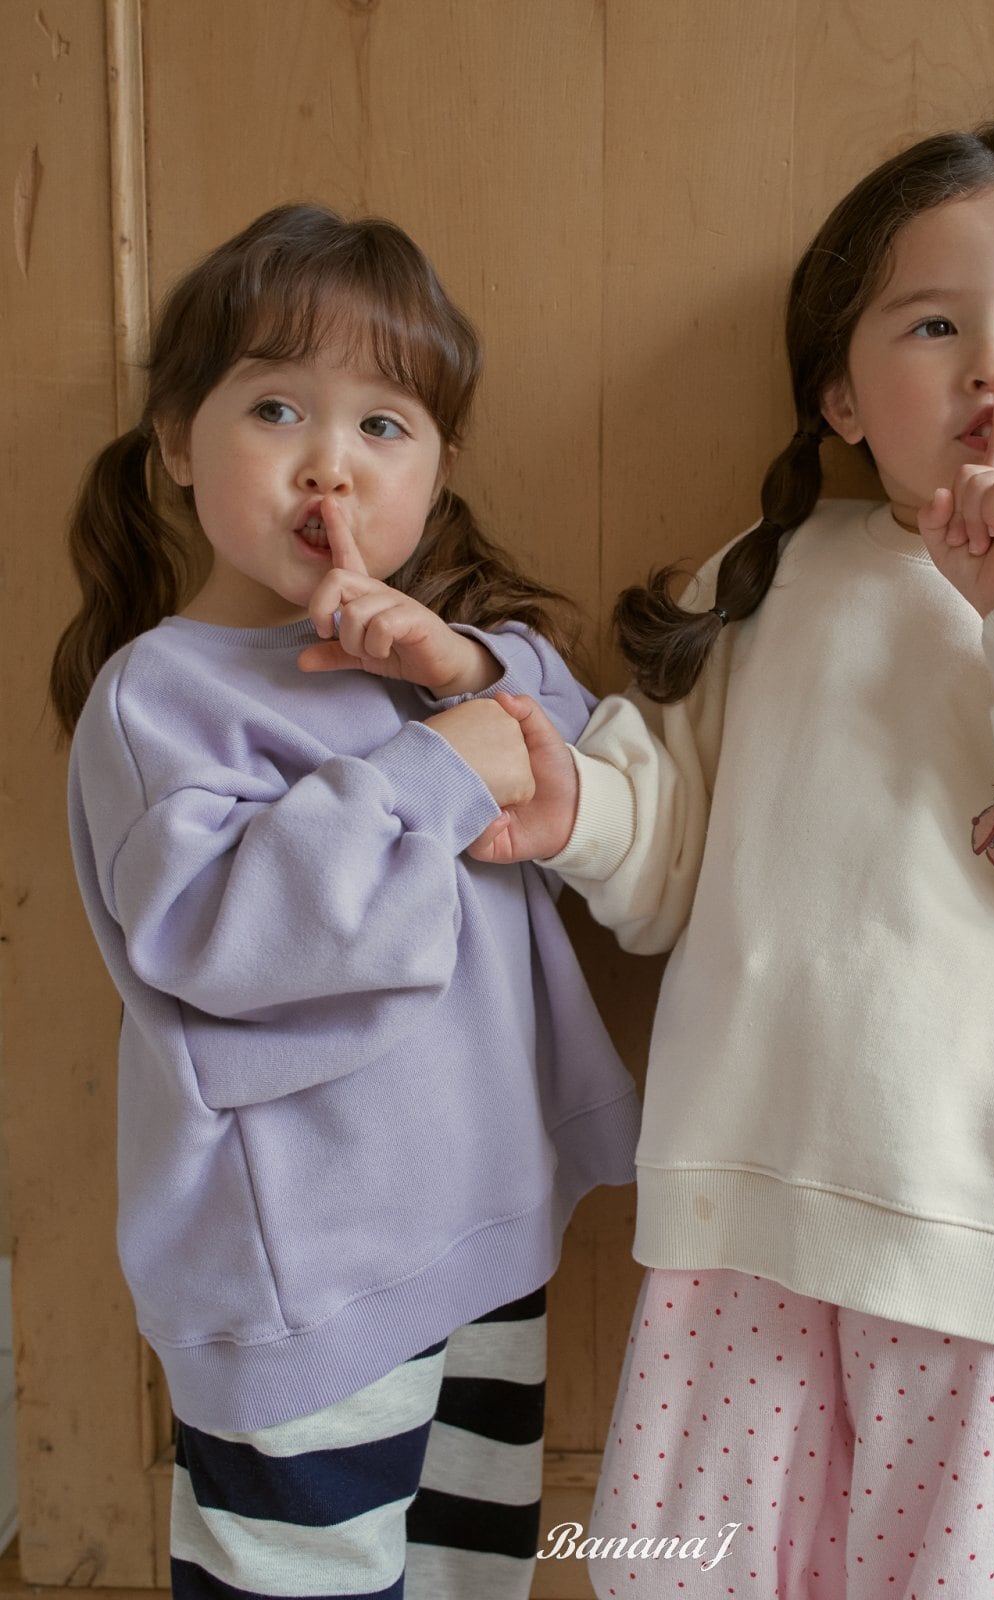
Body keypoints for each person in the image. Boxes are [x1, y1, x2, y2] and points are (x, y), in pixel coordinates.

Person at [463, 124, 994, 1597]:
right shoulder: (766, 586)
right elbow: (664, 857)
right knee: (678, 1570)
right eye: (934, 325)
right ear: (841, 392)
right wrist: (578, 812)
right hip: (747, 1209)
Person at [49, 203, 640, 1600]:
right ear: (177, 444)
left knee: (469, 1570)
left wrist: (461, 677)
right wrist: (438, 766)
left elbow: (591, 773)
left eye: (385, 425)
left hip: (486, 1238)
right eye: (276, 409)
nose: (331, 462)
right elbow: (229, 937)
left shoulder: (432, 664)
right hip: (305, 1283)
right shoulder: (161, 696)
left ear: (434, 475)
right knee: (303, 1580)